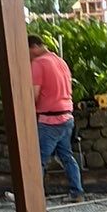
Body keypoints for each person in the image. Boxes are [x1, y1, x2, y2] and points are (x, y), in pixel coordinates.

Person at [28, 34, 84, 201]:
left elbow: (34, 94)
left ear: (34, 47)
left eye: (28, 51)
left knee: (39, 159)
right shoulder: (60, 61)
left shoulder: (38, 63)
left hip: (49, 120)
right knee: (67, 157)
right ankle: (77, 192)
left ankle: (33, 197)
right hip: (67, 117)